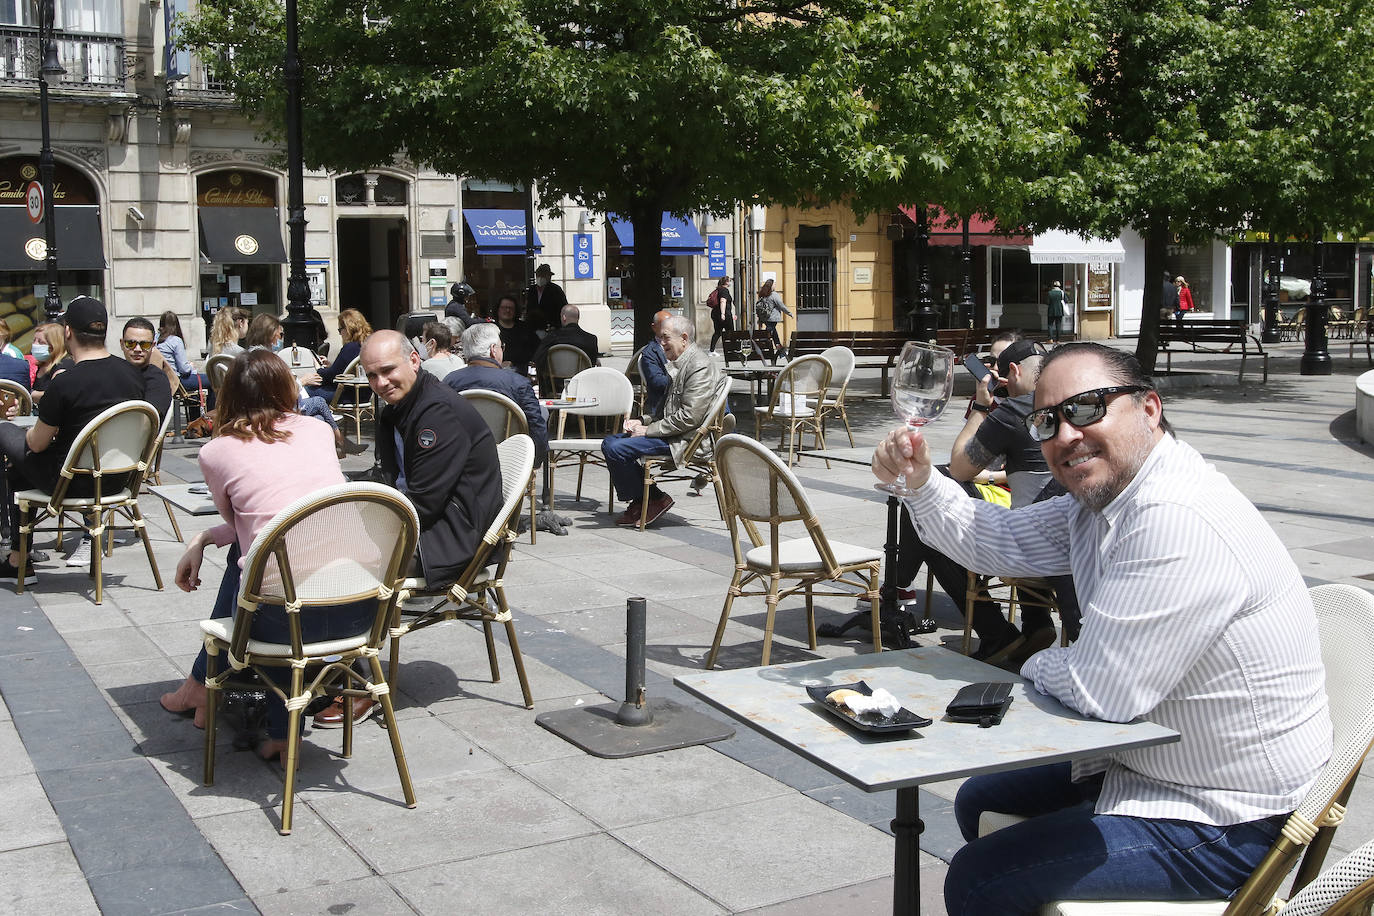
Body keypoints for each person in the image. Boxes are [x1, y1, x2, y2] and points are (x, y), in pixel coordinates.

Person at [872, 342, 1331, 915]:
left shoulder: (1177, 518)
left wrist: (1033, 661)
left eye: (1088, 408)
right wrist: (920, 482)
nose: (1065, 435)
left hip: (1227, 812)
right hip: (1143, 756)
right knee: (976, 799)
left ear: (1148, 409)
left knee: (981, 879)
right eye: (1046, 420)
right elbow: (1000, 542)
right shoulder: (1100, 500)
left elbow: (1102, 691)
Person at [158, 350, 359, 757]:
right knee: (266, 559)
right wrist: (205, 539)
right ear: (287, 388)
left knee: (259, 570)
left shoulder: (216, 452)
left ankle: (206, 689)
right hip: (359, 608)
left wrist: (202, 538)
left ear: (227, 394)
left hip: (279, 624)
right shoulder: (318, 431)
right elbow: (256, 522)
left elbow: (243, 524)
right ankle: (265, 723)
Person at [0, 297, 144, 584]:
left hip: (71, 482)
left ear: (67, 332)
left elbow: (36, 445)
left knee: (5, 432)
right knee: (17, 472)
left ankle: (18, 557)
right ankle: (19, 557)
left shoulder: (65, 382)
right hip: (119, 481)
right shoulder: (133, 375)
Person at [600, 315, 720, 528]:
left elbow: (690, 417)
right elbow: (666, 409)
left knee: (617, 448)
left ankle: (650, 500)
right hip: (672, 432)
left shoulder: (698, 365)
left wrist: (649, 430)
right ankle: (647, 499)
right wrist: (641, 421)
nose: (661, 343)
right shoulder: (679, 362)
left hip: (686, 439)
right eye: (659, 338)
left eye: (665, 338)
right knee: (610, 443)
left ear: (684, 338)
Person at [245, 313, 366, 457]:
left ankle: (333, 451)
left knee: (320, 419)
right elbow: (279, 388)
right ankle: (340, 443)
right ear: (271, 334)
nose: (280, 338)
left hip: (272, 406)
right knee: (319, 402)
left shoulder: (254, 354)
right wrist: (303, 381)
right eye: (280, 334)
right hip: (276, 408)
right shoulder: (266, 358)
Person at [447, 322, 547, 467]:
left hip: (462, 458)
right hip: (509, 458)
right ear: (494, 350)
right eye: (502, 347)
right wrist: (534, 463)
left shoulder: (450, 381)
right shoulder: (517, 382)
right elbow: (535, 424)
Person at [303, 308, 371, 399]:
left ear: (347, 329)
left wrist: (319, 368)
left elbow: (331, 376)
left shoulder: (350, 347)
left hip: (347, 395)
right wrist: (330, 366)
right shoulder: (366, 345)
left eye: (340, 330)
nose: (340, 334)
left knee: (304, 390)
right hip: (364, 393)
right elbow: (341, 370)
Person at [531, 304, 601, 389]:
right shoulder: (591, 339)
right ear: (578, 318)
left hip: (555, 386)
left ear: (563, 317)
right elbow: (592, 363)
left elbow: (537, 358)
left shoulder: (552, 337)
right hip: (582, 385)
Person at [157, 311, 213, 409]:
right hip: (177, 381)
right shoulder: (175, 341)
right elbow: (184, 369)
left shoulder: (155, 339)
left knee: (195, 387)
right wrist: (190, 366)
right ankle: (212, 414)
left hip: (163, 379)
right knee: (213, 380)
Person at [119, 317, 172, 420]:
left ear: (153, 346)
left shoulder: (157, 379)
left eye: (145, 345)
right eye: (130, 344)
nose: (137, 349)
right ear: (122, 344)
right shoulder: (114, 373)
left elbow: (149, 422)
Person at [637, 310, 672, 416]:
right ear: (654, 327)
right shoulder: (650, 353)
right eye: (664, 325)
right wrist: (683, 380)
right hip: (663, 405)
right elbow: (657, 381)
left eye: (672, 325)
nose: (669, 329)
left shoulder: (680, 344)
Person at [493, 293, 540, 373]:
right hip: (496, 371)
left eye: (511, 308)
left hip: (522, 371)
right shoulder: (491, 329)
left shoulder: (525, 328)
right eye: (504, 307)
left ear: (515, 311)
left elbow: (537, 349)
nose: (507, 310)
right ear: (498, 309)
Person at [30, 322, 70, 402]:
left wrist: (31, 394)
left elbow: (54, 395)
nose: (35, 344)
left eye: (41, 342)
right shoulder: (42, 365)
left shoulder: (63, 366)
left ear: (54, 345)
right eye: (34, 340)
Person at [525, 263, 568, 331]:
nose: (541, 277)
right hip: (533, 327)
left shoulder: (556, 290)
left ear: (549, 277)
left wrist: (557, 325)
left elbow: (563, 308)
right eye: (539, 275)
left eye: (544, 275)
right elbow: (529, 308)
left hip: (551, 327)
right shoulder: (532, 290)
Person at [755, 279, 792, 356]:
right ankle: (760, 348)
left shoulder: (763, 294)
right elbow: (781, 305)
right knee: (768, 334)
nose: (775, 285)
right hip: (773, 318)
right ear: (771, 286)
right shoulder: (774, 295)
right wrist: (789, 313)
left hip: (765, 317)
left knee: (773, 334)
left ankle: (781, 352)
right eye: (774, 284)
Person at [707, 276, 734, 353]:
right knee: (730, 332)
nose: (730, 282)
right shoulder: (724, 290)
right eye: (729, 281)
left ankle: (711, 351)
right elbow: (723, 301)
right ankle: (731, 349)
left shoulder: (718, 289)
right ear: (726, 282)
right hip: (724, 315)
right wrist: (723, 314)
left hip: (715, 314)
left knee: (717, 332)